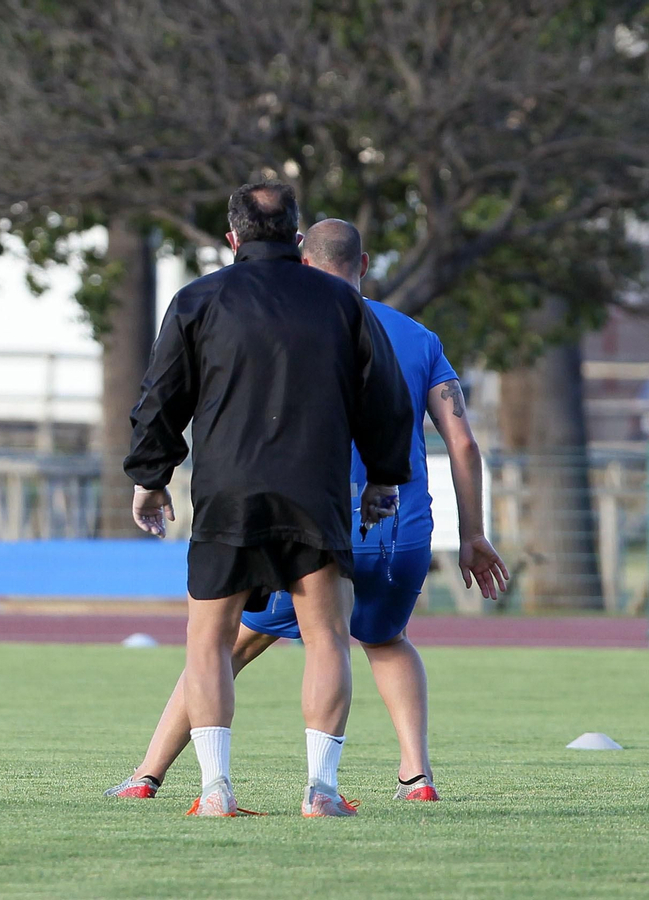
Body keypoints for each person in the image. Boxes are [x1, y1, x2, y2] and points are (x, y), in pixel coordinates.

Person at [108, 219, 509, 809]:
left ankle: (151, 774)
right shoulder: (418, 337)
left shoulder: (295, 320)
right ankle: (415, 777)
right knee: (386, 638)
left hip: (317, 515)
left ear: (300, 258)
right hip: (400, 526)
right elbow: (464, 445)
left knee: (225, 642)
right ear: (364, 263)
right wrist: (473, 533)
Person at [125, 185, 415, 817]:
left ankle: (215, 790)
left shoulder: (198, 300)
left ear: (233, 238)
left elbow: (161, 398)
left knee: (209, 640)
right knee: (327, 638)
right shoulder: (343, 301)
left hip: (228, 493)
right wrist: (384, 478)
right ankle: (321, 789)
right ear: (295, 233)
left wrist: (150, 476)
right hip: (315, 493)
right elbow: (386, 396)